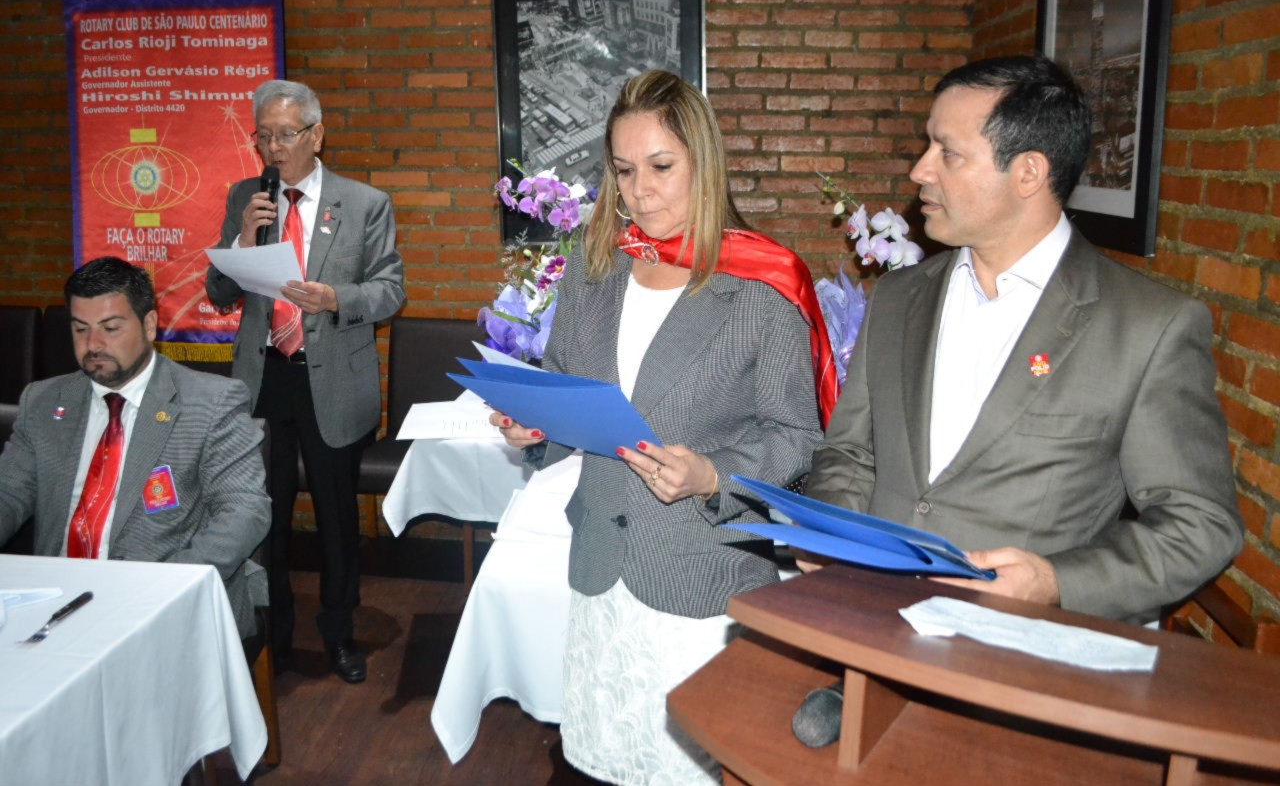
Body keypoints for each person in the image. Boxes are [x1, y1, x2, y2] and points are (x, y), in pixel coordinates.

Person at [806, 55, 1243, 622]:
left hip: (1019, 650)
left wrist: (1058, 582)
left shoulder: (1148, 327)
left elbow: (1201, 523)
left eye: (948, 152)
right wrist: (830, 532)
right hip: (869, 626)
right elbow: (850, 452)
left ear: (1029, 173)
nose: (919, 170)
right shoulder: (898, 297)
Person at [493, 70, 829, 785]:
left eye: (661, 167)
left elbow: (798, 436)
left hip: (701, 577)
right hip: (601, 568)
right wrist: (535, 423)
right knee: (603, 764)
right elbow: (564, 379)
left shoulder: (762, 284)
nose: (640, 191)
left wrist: (714, 475)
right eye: (623, 171)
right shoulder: (595, 269)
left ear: (703, 163)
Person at [205, 79, 405, 684]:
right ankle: (276, 634)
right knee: (263, 514)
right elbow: (220, 291)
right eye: (263, 136)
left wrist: (336, 298)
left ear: (317, 135)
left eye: (286, 135)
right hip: (263, 378)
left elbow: (390, 291)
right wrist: (243, 238)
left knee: (337, 519)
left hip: (332, 380)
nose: (273, 148)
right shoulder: (247, 197)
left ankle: (339, 634)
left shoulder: (365, 203)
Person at [0, 257, 271, 639]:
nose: (93, 345)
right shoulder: (44, 401)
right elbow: (8, 493)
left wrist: (164, 587)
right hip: (55, 601)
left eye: (110, 328)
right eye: (80, 329)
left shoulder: (211, 402)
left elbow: (244, 511)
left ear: (148, 325)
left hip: (160, 600)